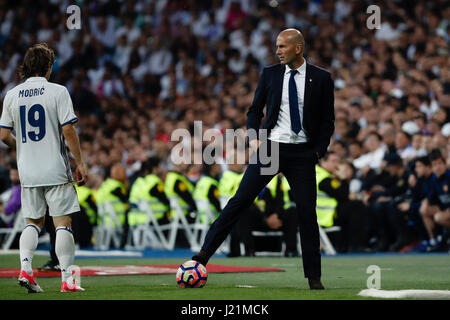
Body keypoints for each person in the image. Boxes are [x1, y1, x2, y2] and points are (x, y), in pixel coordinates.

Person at [191, 29, 335, 290]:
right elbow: (254, 111)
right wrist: (254, 137)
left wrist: (318, 151)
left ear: (298, 48)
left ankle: (314, 278)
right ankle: (203, 255)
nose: (277, 51)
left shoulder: (322, 78)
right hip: (271, 148)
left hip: (303, 153)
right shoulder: (270, 74)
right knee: (240, 200)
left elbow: (327, 121)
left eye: (282, 46)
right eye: (276, 46)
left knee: (306, 213)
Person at [0, 43, 87, 293]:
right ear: (49, 66)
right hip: (55, 168)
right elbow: (68, 129)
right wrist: (80, 162)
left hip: (28, 170)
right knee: (62, 223)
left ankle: (26, 269)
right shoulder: (58, 92)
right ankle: (68, 280)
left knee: (32, 222)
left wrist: (23, 149)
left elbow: (4, 135)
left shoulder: (12, 95)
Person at [419, 150, 450, 251]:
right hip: (444, 208)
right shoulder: (433, 180)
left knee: (439, 217)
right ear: (431, 167)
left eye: (440, 163)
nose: (438, 167)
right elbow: (429, 197)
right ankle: (434, 241)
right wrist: (425, 203)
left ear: (445, 164)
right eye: (434, 164)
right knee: (424, 211)